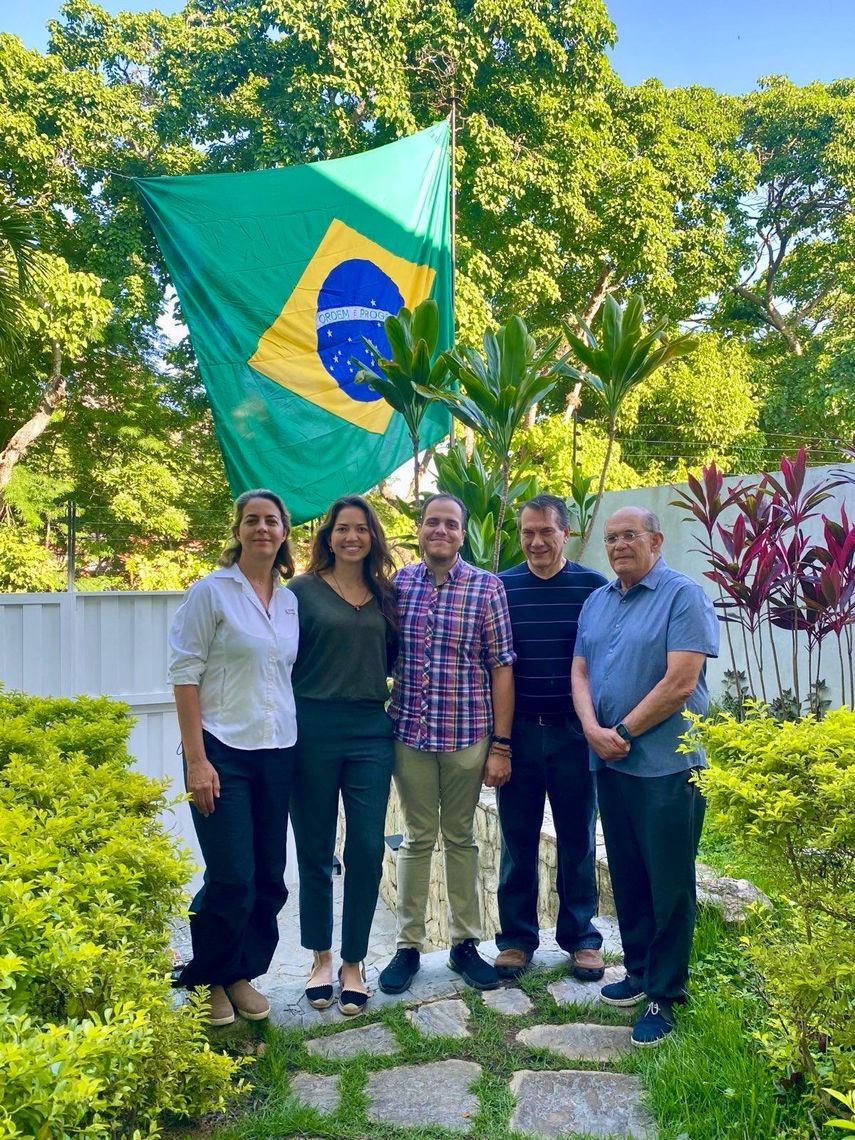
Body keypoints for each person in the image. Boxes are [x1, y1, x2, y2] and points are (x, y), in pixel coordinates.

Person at [571, 505, 719, 1047]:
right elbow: (581, 669)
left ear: (655, 540)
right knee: (628, 875)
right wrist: (591, 727)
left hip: (666, 766)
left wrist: (623, 732)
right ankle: (636, 972)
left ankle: (666, 993)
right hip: (610, 762)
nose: (617, 545)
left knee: (668, 883)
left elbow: (681, 681)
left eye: (628, 535)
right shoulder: (598, 601)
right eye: (610, 538)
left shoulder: (683, 596)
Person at [168, 489, 299, 1026]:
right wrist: (197, 760)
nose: (262, 528)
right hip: (222, 750)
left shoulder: (290, 600)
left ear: (285, 531)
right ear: (238, 530)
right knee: (230, 875)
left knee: (269, 874)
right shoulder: (211, 592)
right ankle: (207, 978)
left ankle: (240, 972)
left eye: (271, 520)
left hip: (278, 750)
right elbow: (184, 673)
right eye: (252, 520)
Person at [378, 493, 516, 994]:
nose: (442, 531)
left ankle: (464, 945)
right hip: (410, 736)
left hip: (467, 736)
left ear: (463, 534)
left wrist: (501, 745)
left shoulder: (487, 588)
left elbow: (502, 668)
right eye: (433, 522)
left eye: (451, 524)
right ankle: (408, 947)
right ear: (420, 529)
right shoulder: (398, 585)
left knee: (460, 837)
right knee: (417, 838)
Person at [288, 495, 398, 1017]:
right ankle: (321, 959)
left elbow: (394, 659)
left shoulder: (385, 595)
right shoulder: (301, 592)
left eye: (361, 529)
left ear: (373, 536)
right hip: (309, 729)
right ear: (327, 535)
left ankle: (354, 962)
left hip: (370, 732)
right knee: (313, 849)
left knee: (366, 849)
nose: (351, 537)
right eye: (342, 529)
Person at [494, 494, 608, 981]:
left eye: (546, 531)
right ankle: (517, 940)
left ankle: (581, 937)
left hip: (573, 736)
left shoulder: (595, 589)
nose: (536, 541)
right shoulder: (501, 588)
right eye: (527, 533)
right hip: (516, 736)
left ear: (566, 533)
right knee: (516, 840)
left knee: (578, 839)